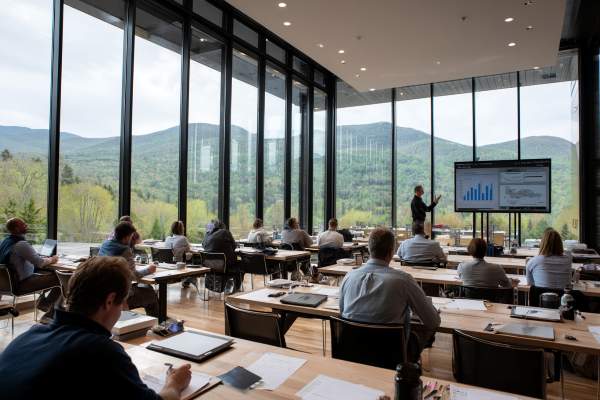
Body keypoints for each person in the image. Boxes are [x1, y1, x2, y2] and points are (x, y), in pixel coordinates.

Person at [0, 256, 191, 400]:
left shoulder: (31, 334)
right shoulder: (100, 351)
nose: (123, 309)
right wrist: (174, 382)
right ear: (109, 301)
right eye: (123, 302)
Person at [339, 227, 440, 360]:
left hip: (350, 353)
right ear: (391, 252)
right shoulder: (404, 280)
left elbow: (342, 313)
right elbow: (433, 322)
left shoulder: (348, 277)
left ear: (369, 249)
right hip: (391, 357)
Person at [0, 218, 61, 318]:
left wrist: (38, 257)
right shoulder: (21, 244)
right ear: (16, 229)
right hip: (21, 284)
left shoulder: (4, 242)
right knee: (59, 278)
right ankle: (46, 308)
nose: (26, 225)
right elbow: (40, 263)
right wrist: (53, 259)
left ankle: (43, 303)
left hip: (5, 286)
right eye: (23, 224)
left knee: (46, 276)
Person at [99, 222, 159, 317]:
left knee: (146, 287)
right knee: (150, 293)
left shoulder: (104, 244)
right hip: (119, 295)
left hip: (102, 292)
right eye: (131, 236)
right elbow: (133, 275)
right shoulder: (125, 250)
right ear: (127, 237)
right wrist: (149, 270)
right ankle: (157, 321)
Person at [202, 220, 243, 290]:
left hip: (209, 266)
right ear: (223, 227)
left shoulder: (207, 234)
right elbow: (234, 246)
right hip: (224, 265)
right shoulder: (225, 232)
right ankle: (235, 289)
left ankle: (229, 285)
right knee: (242, 263)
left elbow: (203, 245)